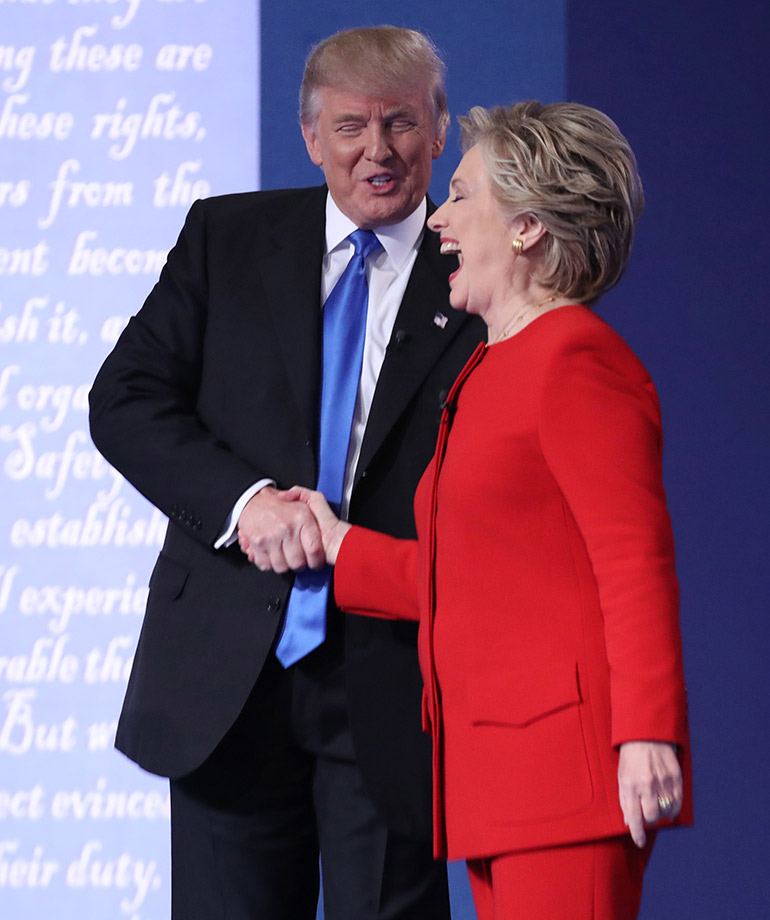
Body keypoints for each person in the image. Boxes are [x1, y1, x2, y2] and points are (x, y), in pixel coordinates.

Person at [88, 26, 485, 920]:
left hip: (393, 677)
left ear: (441, 130)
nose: (377, 152)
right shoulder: (225, 237)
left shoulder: (479, 267)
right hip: (227, 678)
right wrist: (244, 502)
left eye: (400, 124)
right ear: (311, 138)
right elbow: (124, 401)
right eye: (350, 127)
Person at [277, 101, 693, 920]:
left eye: (462, 196)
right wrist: (338, 545)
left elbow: (634, 563)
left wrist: (647, 733)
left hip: (565, 778)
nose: (442, 223)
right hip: (494, 777)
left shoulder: (574, 360)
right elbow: (470, 576)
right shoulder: (491, 369)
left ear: (528, 228)